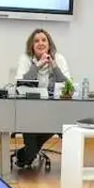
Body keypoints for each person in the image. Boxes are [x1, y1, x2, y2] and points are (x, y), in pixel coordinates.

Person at [14, 29, 71, 168]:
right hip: (30, 109)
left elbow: (68, 85)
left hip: (53, 109)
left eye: (44, 40)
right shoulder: (25, 58)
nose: (41, 43)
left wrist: (54, 67)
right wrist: (37, 65)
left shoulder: (59, 58)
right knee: (28, 156)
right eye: (36, 41)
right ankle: (27, 154)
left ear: (49, 44)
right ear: (31, 45)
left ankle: (25, 153)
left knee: (29, 154)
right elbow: (20, 82)